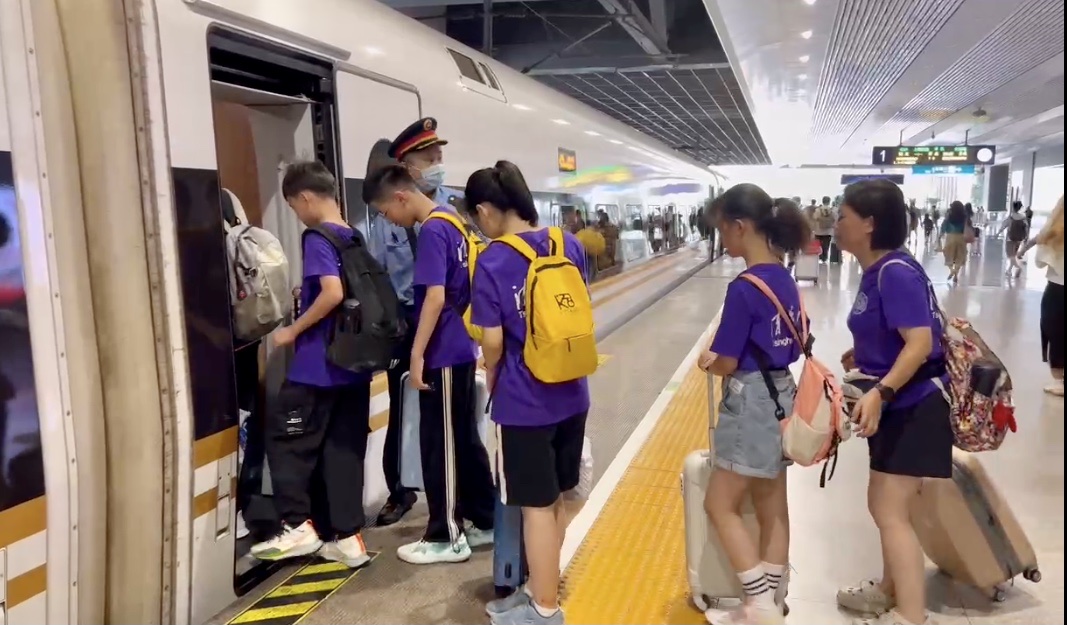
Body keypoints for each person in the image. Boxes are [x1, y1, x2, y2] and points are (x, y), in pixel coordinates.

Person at [463, 161, 591, 625]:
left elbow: (492, 342)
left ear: (486, 211)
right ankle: (542, 587)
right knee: (554, 498)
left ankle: (545, 609)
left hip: (525, 400)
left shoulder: (492, 259)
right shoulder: (567, 243)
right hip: (573, 392)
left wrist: (491, 372)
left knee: (535, 507)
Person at [833, 179, 953, 625]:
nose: (835, 223)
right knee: (886, 505)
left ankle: (911, 614)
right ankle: (889, 589)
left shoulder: (894, 272)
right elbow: (897, 333)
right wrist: (865, 353)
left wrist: (882, 391)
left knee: (889, 509)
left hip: (913, 406)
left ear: (868, 224)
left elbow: (920, 343)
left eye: (842, 216)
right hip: (899, 406)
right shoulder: (881, 269)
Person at [363, 163, 496, 564]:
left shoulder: (434, 229)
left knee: (440, 445)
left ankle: (446, 534)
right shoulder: (453, 219)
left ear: (402, 197)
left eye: (387, 212)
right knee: (462, 439)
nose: (390, 220)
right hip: (457, 347)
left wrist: (417, 353)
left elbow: (434, 297)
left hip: (442, 351)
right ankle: (485, 517)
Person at [696, 183, 810, 625]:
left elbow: (725, 361)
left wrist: (708, 361)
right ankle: (773, 599)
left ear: (741, 227)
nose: (723, 240)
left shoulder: (744, 287)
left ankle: (759, 604)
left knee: (720, 504)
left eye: (724, 230)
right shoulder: (784, 276)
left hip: (751, 401)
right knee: (772, 504)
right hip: (783, 392)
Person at [251, 161, 372, 569]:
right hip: (351, 369)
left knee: (288, 442)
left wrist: (292, 330)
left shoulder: (317, 236)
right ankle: (348, 537)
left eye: (292, 206)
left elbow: (334, 294)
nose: (296, 214)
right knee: (343, 450)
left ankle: (297, 524)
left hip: (317, 367)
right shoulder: (353, 236)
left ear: (304, 198)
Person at [367, 117, 464, 527]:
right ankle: (400, 491)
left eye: (439, 156)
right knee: (402, 409)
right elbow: (376, 274)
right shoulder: (384, 216)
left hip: (441, 324)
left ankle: (451, 504)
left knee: (446, 420)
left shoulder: (450, 209)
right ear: (408, 166)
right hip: (405, 323)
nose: (438, 163)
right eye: (430, 157)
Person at [1019, 195, 1064, 396]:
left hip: (1058, 288)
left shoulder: (1056, 230)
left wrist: (1027, 247)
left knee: (1055, 330)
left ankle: (1060, 380)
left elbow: (1042, 253)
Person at [938, 201, 969, 283]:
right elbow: (967, 228)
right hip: (961, 238)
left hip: (950, 237)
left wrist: (940, 236)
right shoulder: (964, 217)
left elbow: (943, 226)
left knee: (948, 255)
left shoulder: (949, 216)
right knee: (960, 256)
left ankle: (952, 270)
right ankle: (956, 274)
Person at [997, 200, 1029, 277]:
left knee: (1010, 256)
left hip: (1010, 238)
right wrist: (1026, 237)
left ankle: (1019, 267)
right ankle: (1009, 271)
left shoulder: (1011, 217)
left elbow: (1004, 225)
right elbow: (1026, 228)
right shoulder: (1023, 217)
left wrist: (998, 233)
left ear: (1013, 207)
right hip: (1019, 239)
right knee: (1013, 255)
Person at [810, 196, 836, 263]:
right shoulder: (832, 210)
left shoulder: (818, 210)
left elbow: (814, 217)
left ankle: (819, 257)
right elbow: (835, 219)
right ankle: (824, 258)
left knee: (818, 245)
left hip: (818, 231)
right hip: (828, 231)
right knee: (826, 245)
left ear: (822, 201)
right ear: (829, 201)